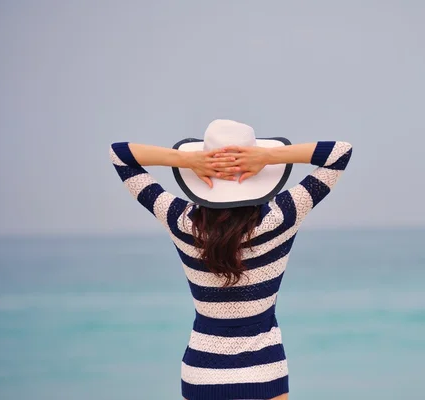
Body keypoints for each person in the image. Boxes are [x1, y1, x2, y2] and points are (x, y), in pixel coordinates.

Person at [109, 119, 352, 400]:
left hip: (201, 371)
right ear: (258, 171)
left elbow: (121, 156)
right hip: (264, 370)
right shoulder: (280, 217)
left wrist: (185, 160)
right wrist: (270, 156)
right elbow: (339, 154)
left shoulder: (181, 221)